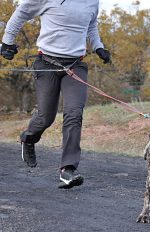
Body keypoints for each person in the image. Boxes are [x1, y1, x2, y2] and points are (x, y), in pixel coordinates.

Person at [1, 0, 111, 189]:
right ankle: (28, 138)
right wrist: (7, 42)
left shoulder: (92, 1)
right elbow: (22, 12)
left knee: (74, 113)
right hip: (46, 64)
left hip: (75, 65)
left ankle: (67, 169)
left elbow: (91, 24)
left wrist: (98, 46)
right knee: (45, 117)